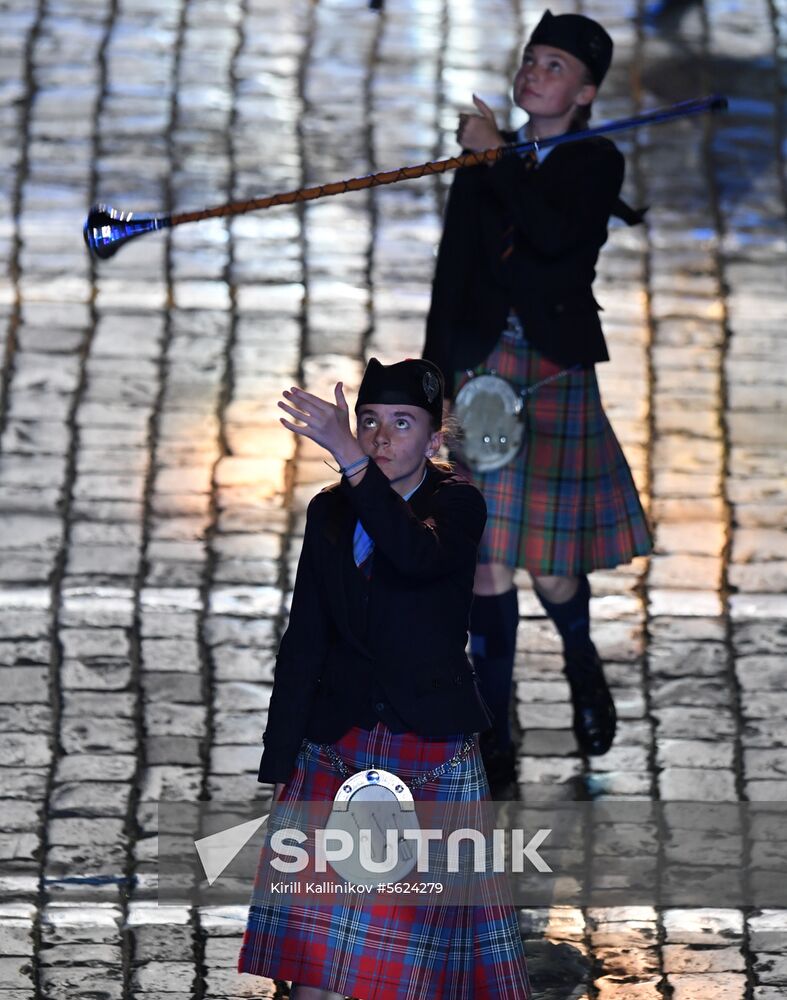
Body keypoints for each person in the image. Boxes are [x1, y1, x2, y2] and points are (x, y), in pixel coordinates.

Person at [238, 357, 531, 998]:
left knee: (402, 971)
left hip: (423, 747)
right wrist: (281, 757)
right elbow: (306, 638)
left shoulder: (459, 507)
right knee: (315, 972)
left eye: (402, 424)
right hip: (336, 744)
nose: (381, 436)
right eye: (367, 422)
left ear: (434, 441)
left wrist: (349, 457)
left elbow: (413, 553)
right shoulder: (330, 513)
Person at [423, 10, 652, 787]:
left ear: (584, 91)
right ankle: (493, 724)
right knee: (485, 558)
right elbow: (454, 273)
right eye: (530, 59)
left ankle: (581, 664)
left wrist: (497, 165)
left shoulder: (595, 163)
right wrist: (431, 387)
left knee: (550, 568)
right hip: (482, 370)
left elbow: (553, 243)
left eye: (553, 66)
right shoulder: (492, 157)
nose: (533, 74)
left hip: (551, 373)